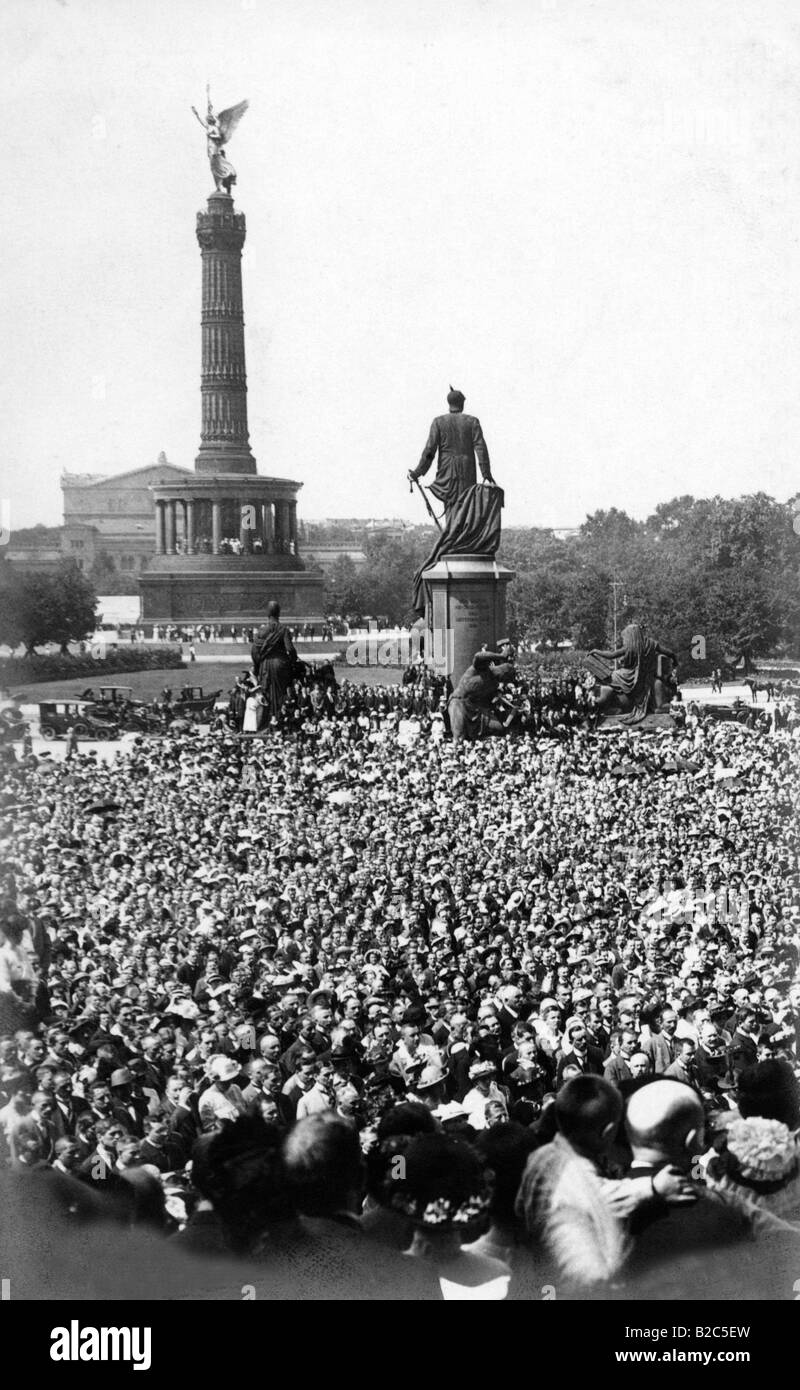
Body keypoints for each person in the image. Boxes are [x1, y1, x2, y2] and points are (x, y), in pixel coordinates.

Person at [251, 602, 298, 718]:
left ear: (267, 613)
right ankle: (280, 716)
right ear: (279, 613)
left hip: (266, 665)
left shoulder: (262, 631)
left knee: (266, 690)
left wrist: (257, 665)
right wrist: (293, 659)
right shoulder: (283, 630)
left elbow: (254, 652)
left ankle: (269, 717)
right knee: (282, 691)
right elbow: (290, 649)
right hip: (280, 664)